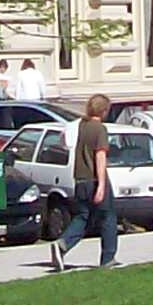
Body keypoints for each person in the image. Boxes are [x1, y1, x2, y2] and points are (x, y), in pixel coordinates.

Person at [52, 92, 119, 270]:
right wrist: (101, 185)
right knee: (108, 216)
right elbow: (100, 156)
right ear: (104, 111)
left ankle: (63, 243)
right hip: (94, 179)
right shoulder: (99, 129)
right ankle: (108, 258)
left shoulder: (81, 125)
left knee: (83, 216)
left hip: (80, 179)